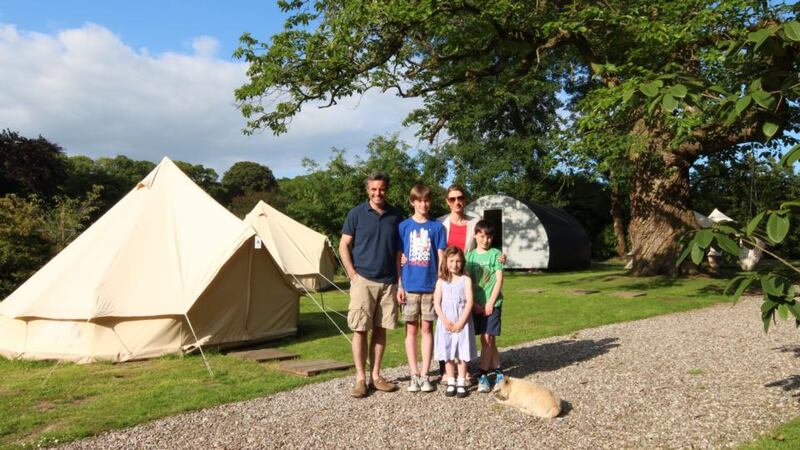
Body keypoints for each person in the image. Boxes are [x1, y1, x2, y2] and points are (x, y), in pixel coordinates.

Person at [340, 172, 403, 398]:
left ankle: (376, 376)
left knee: (380, 329)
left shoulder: (395, 215)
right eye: (374, 189)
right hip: (363, 280)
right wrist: (351, 273)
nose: (378, 193)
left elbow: (399, 251)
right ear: (368, 190)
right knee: (359, 329)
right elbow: (343, 245)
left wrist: (399, 279)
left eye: (382, 189)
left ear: (387, 190)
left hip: (388, 282)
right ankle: (360, 379)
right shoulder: (356, 214)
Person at [397, 184, 447, 393]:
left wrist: (440, 285)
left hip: (430, 286)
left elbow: (442, 257)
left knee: (427, 329)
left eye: (427, 200)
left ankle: (426, 374)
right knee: (411, 330)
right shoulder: (404, 227)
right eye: (419, 200)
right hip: (408, 285)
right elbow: (397, 257)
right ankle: (414, 374)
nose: (423, 204)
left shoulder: (437, 228)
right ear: (412, 202)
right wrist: (399, 284)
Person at [466, 220, 505, 393]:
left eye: (488, 236)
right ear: (475, 235)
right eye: (481, 236)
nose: (485, 240)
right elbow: (466, 282)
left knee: (488, 338)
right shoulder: (470, 257)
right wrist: (473, 303)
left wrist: (490, 302)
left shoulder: (496, 254)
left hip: (493, 304)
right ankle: (498, 371)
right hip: (476, 305)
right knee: (486, 339)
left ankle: (483, 374)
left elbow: (499, 280)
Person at [433, 246, 476, 398]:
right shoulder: (441, 282)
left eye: (458, 261)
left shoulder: (466, 280)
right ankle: (451, 380)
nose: (454, 264)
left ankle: (462, 381)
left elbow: (470, 302)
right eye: (451, 261)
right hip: (446, 322)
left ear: (462, 262)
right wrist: (445, 321)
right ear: (446, 262)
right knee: (448, 352)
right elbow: (437, 303)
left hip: (462, 322)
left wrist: (461, 322)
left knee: (462, 352)